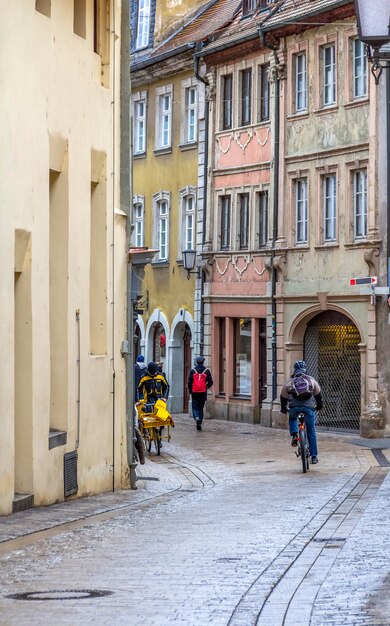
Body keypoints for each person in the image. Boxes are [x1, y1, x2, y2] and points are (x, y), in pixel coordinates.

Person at [280, 360, 323, 464]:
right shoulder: (311, 380)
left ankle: (295, 434)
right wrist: (319, 406)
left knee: (293, 418)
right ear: (305, 369)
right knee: (311, 431)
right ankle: (314, 457)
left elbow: (283, 397)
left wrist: (283, 408)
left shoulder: (290, 381)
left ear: (295, 369)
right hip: (308, 408)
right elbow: (318, 395)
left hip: (294, 407)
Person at [188, 356, 213, 431]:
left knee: (195, 407)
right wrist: (206, 387)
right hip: (203, 393)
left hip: (195, 392)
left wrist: (190, 391)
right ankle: (200, 422)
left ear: (197, 362)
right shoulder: (206, 371)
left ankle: (196, 417)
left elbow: (189, 382)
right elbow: (211, 382)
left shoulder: (193, 371)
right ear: (203, 362)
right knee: (201, 408)